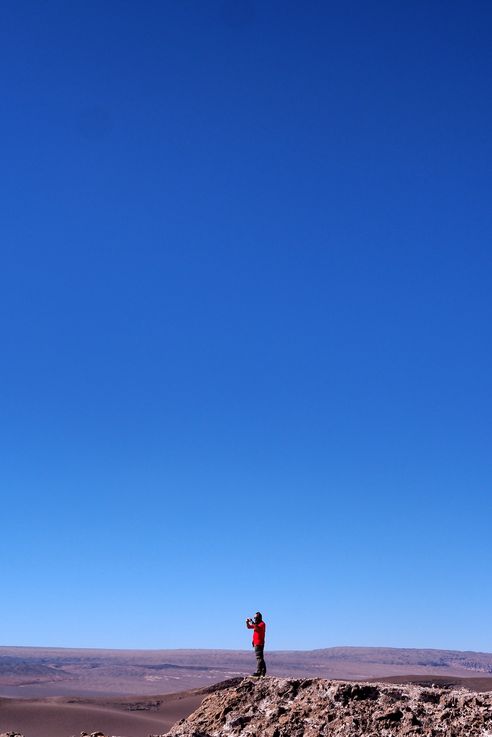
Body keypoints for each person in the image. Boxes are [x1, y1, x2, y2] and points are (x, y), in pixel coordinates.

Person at [246, 612, 266, 676]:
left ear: (259, 618)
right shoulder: (257, 624)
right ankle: (263, 671)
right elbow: (249, 627)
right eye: (254, 618)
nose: (255, 619)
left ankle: (258, 671)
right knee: (260, 658)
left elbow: (257, 628)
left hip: (259, 643)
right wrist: (247, 622)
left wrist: (252, 622)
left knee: (259, 658)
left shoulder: (262, 624)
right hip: (256, 642)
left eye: (256, 618)